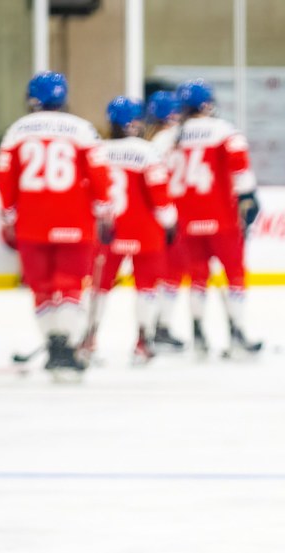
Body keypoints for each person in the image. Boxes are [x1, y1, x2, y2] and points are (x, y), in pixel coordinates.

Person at [0, 71, 111, 380]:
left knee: (42, 289)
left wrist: (8, 217)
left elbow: (4, 177)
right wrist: (105, 211)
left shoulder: (16, 131)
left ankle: (53, 345)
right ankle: (66, 347)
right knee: (70, 286)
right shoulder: (82, 129)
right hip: (75, 221)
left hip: (31, 223)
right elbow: (99, 176)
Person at [165, 79, 262, 357]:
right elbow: (240, 170)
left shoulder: (171, 138)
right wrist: (248, 198)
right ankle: (237, 334)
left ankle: (198, 335)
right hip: (222, 217)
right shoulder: (224, 131)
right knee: (234, 276)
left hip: (185, 220)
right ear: (207, 104)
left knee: (197, 278)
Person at [86, 96, 177, 365]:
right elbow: (159, 195)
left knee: (99, 288)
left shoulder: (98, 150)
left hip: (108, 230)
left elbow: (89, 192)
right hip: (144, 230)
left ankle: (88, 341)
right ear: (136, 123)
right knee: (147, 288)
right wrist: (170, 222)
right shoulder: (148, 152)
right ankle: (142, 344)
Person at [146, 91, 188, 353]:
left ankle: (154, 326)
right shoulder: (171, 138)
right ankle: (158, 326)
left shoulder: (154, 140)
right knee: (169, 275)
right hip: (170, 215)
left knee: (161, 275)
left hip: (159, 214)